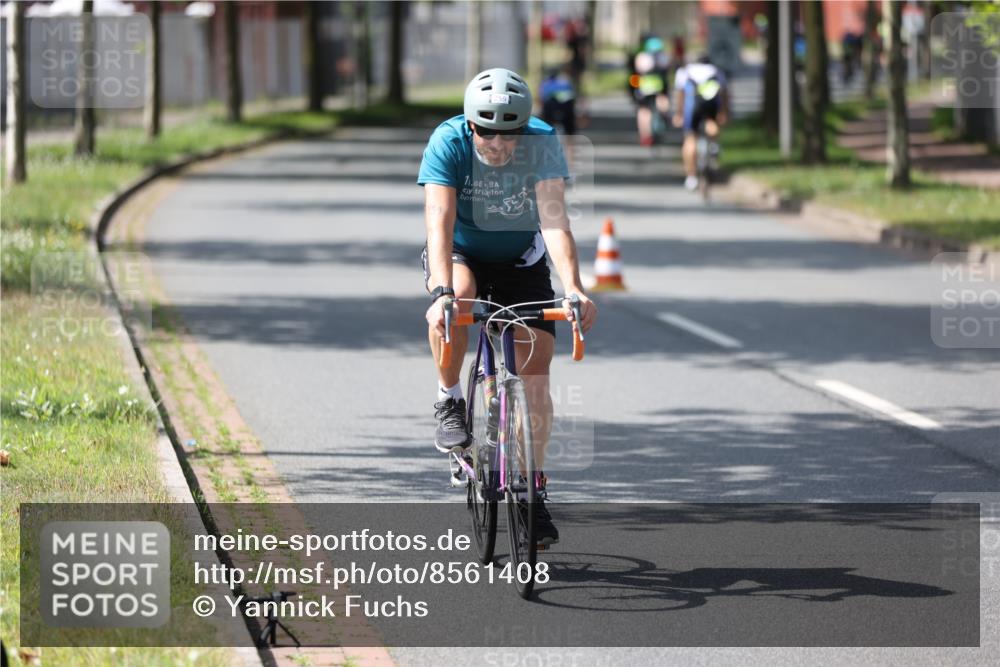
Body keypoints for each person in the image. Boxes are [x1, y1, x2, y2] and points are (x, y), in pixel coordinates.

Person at [417, 68, 598, 545]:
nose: (498, 145)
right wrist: (441, 296)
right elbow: (439, 221)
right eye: (487, 132)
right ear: (470, 124)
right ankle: (449, 397)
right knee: (456, 306)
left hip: (521, 258)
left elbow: (555, 222)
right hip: (462, 253)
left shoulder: (542, 142)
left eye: (509, 135)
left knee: (536, 373)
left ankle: (534, 491)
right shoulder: (448, 142)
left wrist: (574, 288)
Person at [672, 54, 729, 191]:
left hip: (692, 108)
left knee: (690, 139)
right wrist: (723, 113)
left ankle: (691, 177)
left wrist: (679, 114)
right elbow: (724, 93)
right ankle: (714, 146)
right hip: (711, 106)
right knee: (712, 124)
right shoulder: (716, 71)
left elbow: (681, 94)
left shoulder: (684, 72)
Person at [628, 35, 671, 146]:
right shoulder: (664, 57)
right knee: (662, 99)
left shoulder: (641, 57)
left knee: (644, 111)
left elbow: (636, 72)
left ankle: (645, 136)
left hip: (645, 86)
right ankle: (663, 115)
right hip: (659, 85)